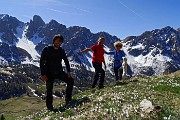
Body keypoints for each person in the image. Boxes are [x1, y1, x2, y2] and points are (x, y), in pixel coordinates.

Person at [40, 34, 74, 110]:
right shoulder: (47, 49)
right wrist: (43, 74)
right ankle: (49, 107)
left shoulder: (61, 50)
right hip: (49, 73)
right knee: (49, 90)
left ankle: (68, 99)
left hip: (59, 71)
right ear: (54, 40)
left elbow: (66, 60)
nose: (59, 43)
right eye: (58, 41)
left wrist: (68, 71)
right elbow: (41, 62)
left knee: (70, 80)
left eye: (60, 42)